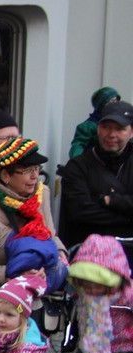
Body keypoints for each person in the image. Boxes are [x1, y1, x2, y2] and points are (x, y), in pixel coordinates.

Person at [0, 138, 66, 341]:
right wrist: (15, 275)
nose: (35, 176)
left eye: (37, 168)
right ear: (5, 175)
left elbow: (50, 236)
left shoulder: (41, 193)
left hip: (30, 306)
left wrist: (60, 259)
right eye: (27, 170)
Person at [68, 234, 133, 353]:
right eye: (86, 285)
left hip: (129, 344)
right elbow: (67, 289)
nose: (92, 291)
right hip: (99, 345)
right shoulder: (82, 294)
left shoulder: (127, 294)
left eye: (98, 286)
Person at [59, 100, 133, 248]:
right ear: (97, 128)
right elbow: (78, 211)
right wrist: (128, 216)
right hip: (88, 256)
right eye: (105, 127)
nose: (111, 134)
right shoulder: (77, 166)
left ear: (131, 132)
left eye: (119, 129)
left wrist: (110, 201)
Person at [69, 86, 120, 160]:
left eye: (116, 100)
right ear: (102, 105)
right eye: (111, 101)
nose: (115, 104)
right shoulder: (88, 126)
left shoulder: (123, 121)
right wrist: (77, 164)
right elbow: (78, 147)